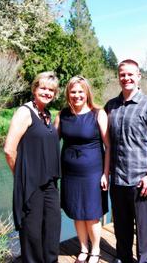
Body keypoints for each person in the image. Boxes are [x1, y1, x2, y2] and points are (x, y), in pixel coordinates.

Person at [105, 59, 147, 263]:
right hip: (117, 180)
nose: (126, 78)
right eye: (122, 74)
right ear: (118, 77)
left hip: (141, 181)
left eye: (130, 74)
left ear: (138, 76)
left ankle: (146, 260)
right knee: (121, 226)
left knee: (145, 229)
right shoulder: (111, 106)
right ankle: (123, 258)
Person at [4, 71, 61, 263]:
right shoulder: (24, 112)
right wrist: (21, 177)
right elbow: (9, 150)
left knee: (52, 229)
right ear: (34, 88)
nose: (47, 92)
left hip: (50, 184)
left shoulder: (46, 114)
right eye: (43, 88)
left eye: (51, 89)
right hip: (31, 185)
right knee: (32, 234)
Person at [54, 76, 110, 263]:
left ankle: (95, 250)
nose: (77, 95)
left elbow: (108, 146)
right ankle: (83, 248)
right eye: (73, 91)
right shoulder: (62, 115)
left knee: (92, 214)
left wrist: (106, 174)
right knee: (77, 212)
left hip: (93, 174)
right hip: (70, 174)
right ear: (68, 94)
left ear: (87, 93)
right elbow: (51, 142)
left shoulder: (98, 114)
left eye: (80, 91)